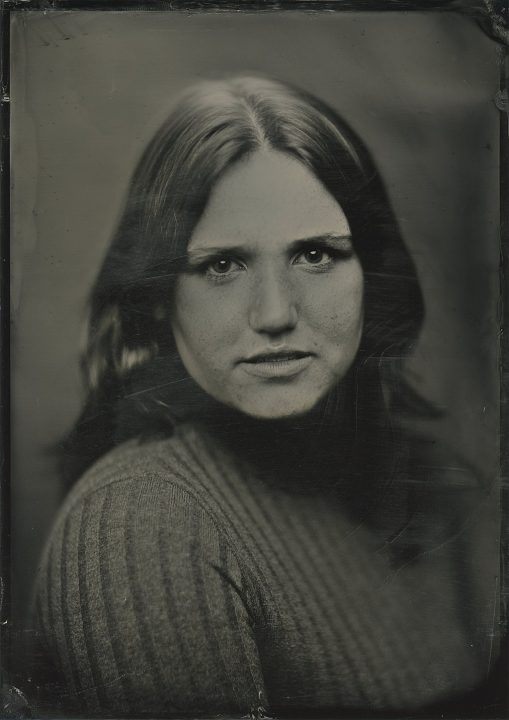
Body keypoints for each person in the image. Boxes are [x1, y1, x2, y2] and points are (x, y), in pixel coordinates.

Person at [30, 76, 499, 718]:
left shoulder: (451, 495)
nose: (275, 313)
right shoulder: (145, 522)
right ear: (159, 295)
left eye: (314, 254)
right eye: (222, 266)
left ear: (373, 272)